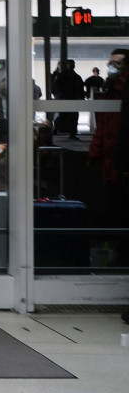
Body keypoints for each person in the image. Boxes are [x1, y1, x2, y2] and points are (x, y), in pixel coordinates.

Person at [88, 49, 129, 324]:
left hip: (122, 163)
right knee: (118, 215)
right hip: (114, 165)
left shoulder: (121, 90)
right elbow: (103, 127)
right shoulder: (110, 90)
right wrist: (95, 153)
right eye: (110, 63)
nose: (111, 67)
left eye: (116, 63)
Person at [52, 58, 84, 138]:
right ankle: (69, 132)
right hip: (68, 98)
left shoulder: (66, 76)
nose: (73, 66)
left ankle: (69, 132)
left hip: (68, 98)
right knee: (67, 115)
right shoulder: (71, 76)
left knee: (69, 116)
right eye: (71, 64)